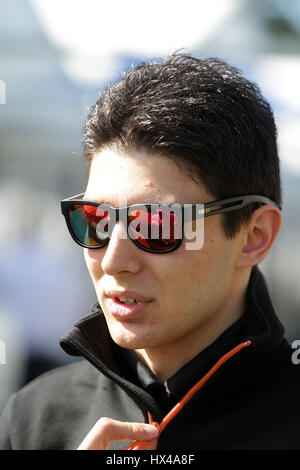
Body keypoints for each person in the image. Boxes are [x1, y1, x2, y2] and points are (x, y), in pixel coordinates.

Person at [0, 53, 298, 451]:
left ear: (254, 236)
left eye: (157, 225)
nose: (112, 260)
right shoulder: (36, 416)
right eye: (96, 220)